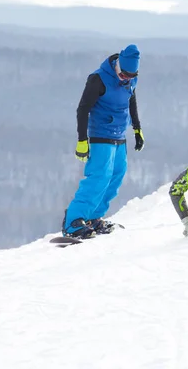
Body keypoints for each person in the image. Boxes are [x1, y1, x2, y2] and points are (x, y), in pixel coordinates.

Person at [62, 44, 144, 238]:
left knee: (116, 176)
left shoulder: (130, 79)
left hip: (119, 136)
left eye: (131, 77)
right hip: (100, 135)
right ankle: (73, 221)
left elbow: (131, 101)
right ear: (118, 65)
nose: (127, 79)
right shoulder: (98, 79)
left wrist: (137, 128)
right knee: (99, 177)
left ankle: (93, 218)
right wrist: (82, 140)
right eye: (124, 75)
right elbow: (82, 109)